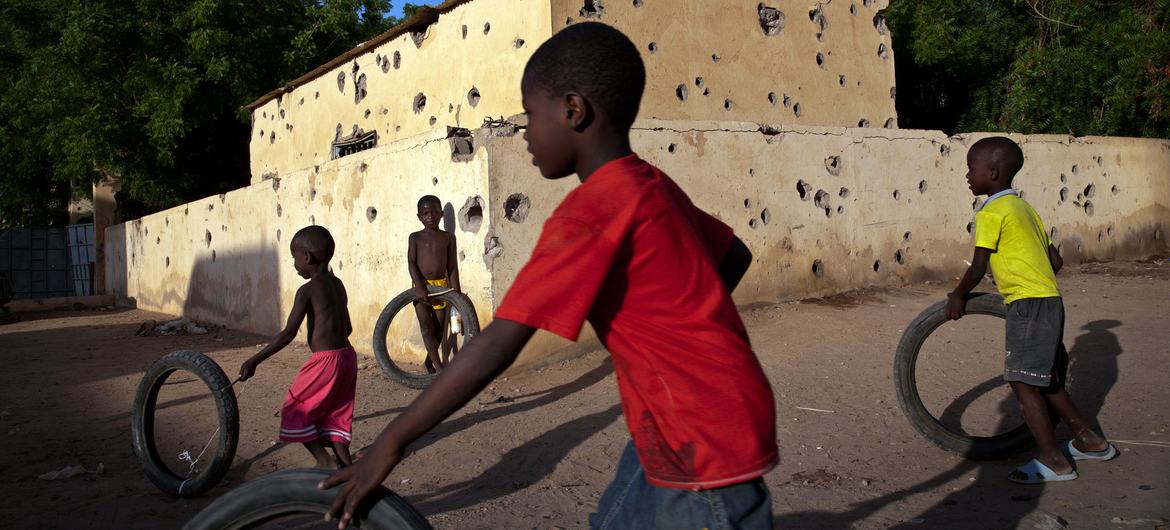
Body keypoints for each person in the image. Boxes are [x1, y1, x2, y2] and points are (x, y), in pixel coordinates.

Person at [319, 22, 777, 529]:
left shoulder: (589, 213)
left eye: (530, 115)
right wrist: (678, 329)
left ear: (573, 111)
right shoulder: (650, 183)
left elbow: (498, 344)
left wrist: (390, 442)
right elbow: (733, 255)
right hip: (699, 419)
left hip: (701, 450)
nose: (524, 131)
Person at [947, 136, 1117, 484]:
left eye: (971, 169)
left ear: (991, 173)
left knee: (1024, 383)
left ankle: (1053, 460)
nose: (966, 175)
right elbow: (1055, 260)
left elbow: (978, 267)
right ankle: (1090, 440)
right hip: (1050, 300)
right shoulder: (1025, 209)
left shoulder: (991, 211)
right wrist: (1028, 275)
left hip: (1027, 304)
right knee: (1048, 380)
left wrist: (958, 295)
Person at [239, 225, 357, 469]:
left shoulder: (307, 290)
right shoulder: (338, 284)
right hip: (347, 357)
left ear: (307, 257)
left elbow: (288, 334)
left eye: (294, 258)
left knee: (295, 409)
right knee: (335, 414)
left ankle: (325, 462)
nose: (294, 264)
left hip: (326, 361)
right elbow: (348, 329)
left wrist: (254, 360)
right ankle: (346, 466)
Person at [408, 195, 461, 373]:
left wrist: (456, 294)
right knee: (426, 328)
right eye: (425, 213)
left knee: (438, 330)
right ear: (419, 216)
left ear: (442, 214)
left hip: (441, 287)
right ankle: (438, 366)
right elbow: (412, 263)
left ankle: (429, 362)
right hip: (421, 287)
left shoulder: (448, 238)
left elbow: (452, 266)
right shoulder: (415, 237)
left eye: (434, 212)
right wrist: (420, 286)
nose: (430, 216)